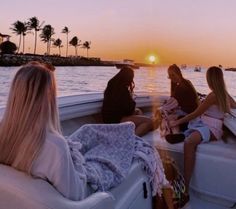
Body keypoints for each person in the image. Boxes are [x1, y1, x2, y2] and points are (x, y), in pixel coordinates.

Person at [0, 62, 174, 208]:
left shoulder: (6, 135)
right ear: (48, 97)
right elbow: (77, 193)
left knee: (89, 130)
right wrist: (76, 162)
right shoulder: (54, 147)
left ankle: (126, 135)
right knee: (107, 143)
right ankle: (129, 138)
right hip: (86, 187)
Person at [169, 66, 236, 203]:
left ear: (211, 79)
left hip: (211, 128)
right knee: (185, 132)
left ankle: (185, 188)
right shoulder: (224, 93)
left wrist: (177, 122)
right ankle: (181, 183)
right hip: (209, 125)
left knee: (188, 143)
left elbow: (195, 113)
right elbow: (233, 105)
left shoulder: (213, 96)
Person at [102, 66, 156, 136]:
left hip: (108, 119)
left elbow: (121, 108)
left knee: (138, 111)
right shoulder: (123, 90)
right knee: (149, 121)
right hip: (116, 120)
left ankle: (132, 131)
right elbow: (128, 110)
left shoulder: (111, 85)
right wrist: (132, 100)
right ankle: (133, 138)